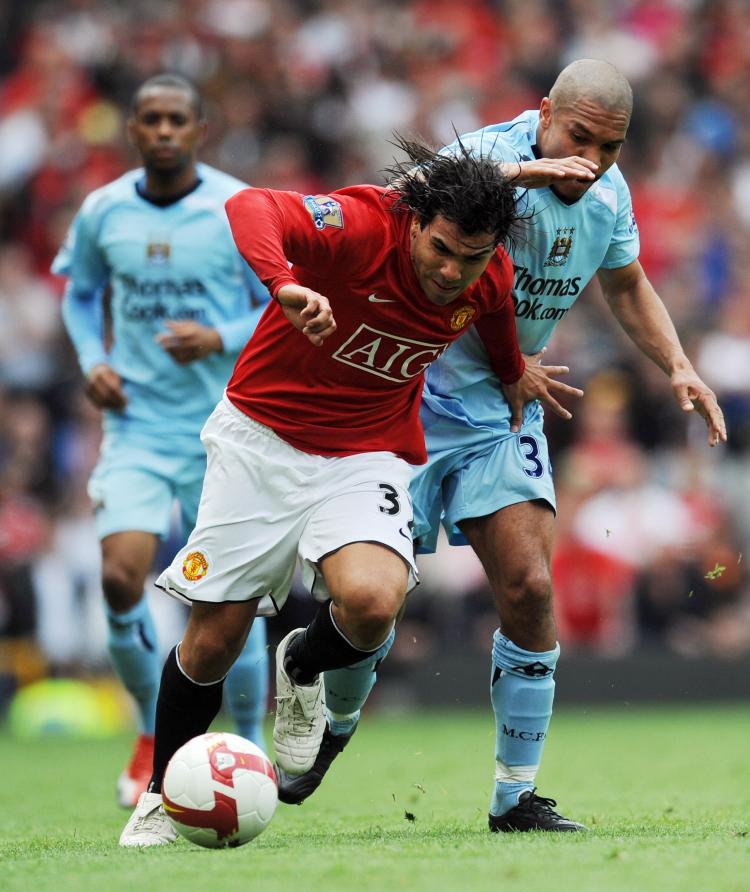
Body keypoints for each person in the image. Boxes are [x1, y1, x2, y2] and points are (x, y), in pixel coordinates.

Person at [284, 59, 728, 832]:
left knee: (528, 585)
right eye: (577, 138)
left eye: (610, 148)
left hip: (505, 403)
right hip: (408, 391)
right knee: (370, 605)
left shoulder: (608, 197)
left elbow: (624, 284)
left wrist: (679, 362)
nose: (588, 162)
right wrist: (523, 171)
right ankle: (337, 723)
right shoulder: (488, 159)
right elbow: (406, 199)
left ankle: (514, 796)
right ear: (545, 112)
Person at [118, 135, 581, 846]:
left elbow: (490, 316)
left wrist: (514, 367)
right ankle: (158, 795)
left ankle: (301, 662)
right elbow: (249, 206)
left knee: (371, 601)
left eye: (474, 256)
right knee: (214, 638)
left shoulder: (486, 275)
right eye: (442, 250)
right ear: (417, 222)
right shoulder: (362, 223)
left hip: (367, 452)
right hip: (261, 441)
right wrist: (283, 283)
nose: (453, 271)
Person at [52, 74, 271, 809]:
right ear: (134, 130)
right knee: (120, 578)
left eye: (178, 119)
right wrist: (94, 363)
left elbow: (281, 300)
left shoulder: (237, 207)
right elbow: (80, 294)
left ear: (200, 128)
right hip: (138, 425)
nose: (165, 131)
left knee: (230, 597)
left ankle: (249, 744)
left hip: (225, 425)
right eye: (152, 120)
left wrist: (220, 334)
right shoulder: (103, 210)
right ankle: (153, 730)